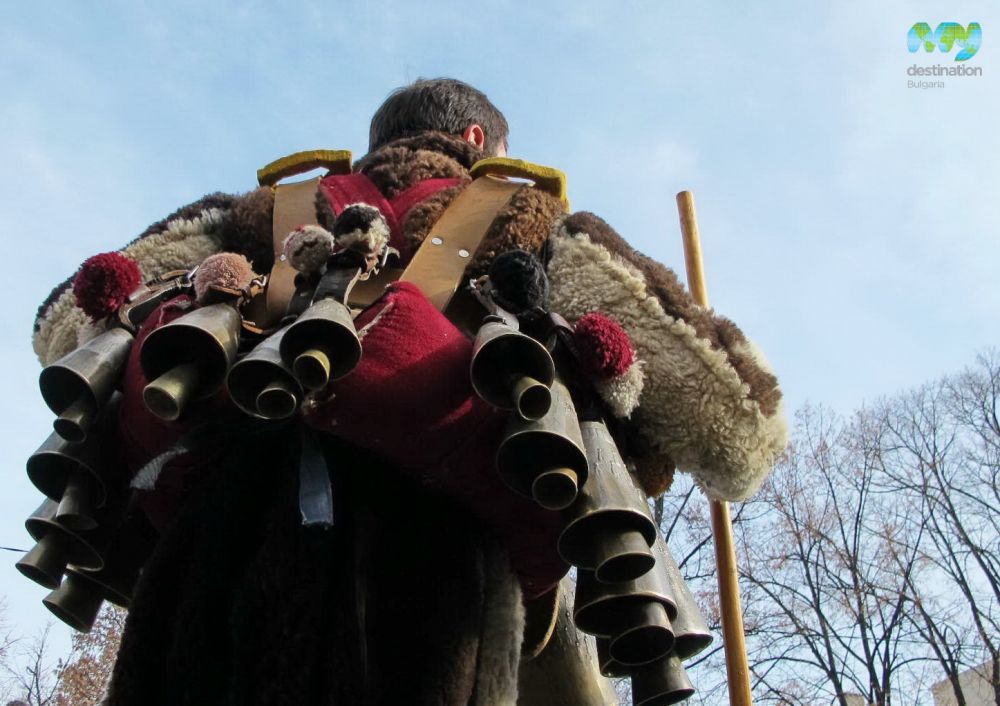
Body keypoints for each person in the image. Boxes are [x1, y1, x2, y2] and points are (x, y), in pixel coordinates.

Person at [31, 78, 787, 705]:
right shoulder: (534, 220)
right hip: (438, 592)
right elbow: (739, 432)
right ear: (478, 143)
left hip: (213, 573)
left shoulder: (264, 210)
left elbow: (65, 323)